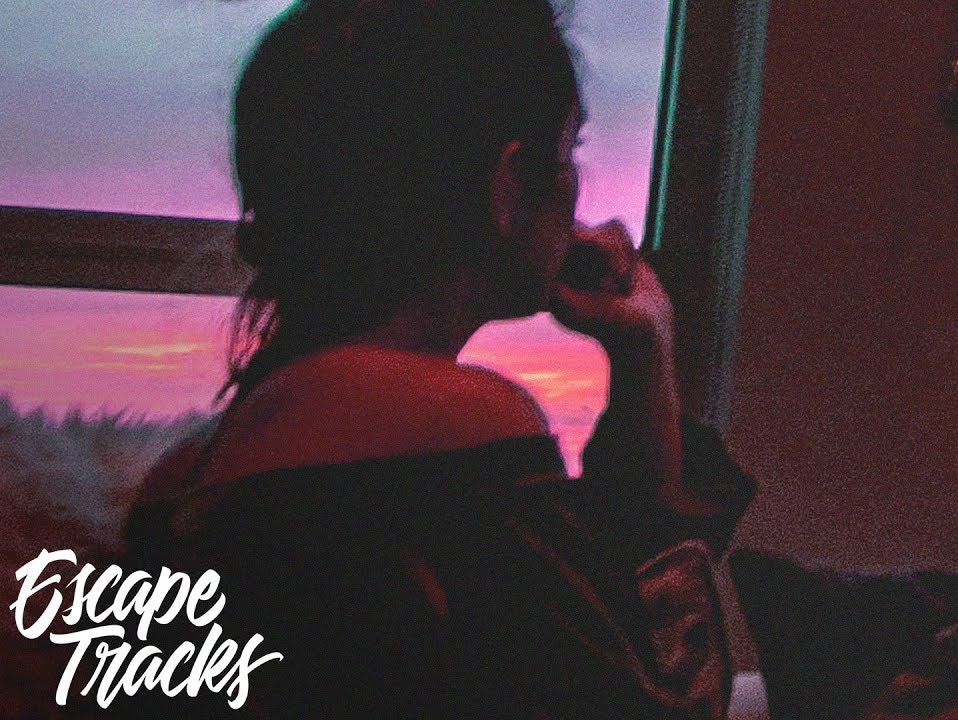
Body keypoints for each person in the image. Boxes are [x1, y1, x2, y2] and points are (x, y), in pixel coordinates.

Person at [114, 0, 755, 717]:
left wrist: (640, 355)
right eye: (569, 151)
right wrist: (654, 341)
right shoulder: (459, 423)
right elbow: (639, 696)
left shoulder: (185, 476)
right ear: (509, 185)